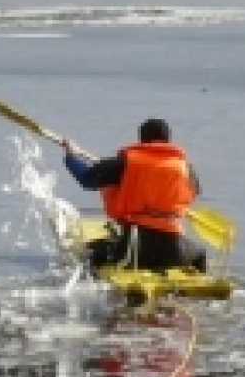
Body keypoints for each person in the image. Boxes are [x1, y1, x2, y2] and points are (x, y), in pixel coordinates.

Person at [62, 117, 207, 273]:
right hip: (174, 251)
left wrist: (71, 156)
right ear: (168, 141)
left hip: (134, 248)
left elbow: (86, 179)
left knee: (93, 251)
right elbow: (194, 192)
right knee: (200, 254)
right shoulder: (185, 168)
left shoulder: (125, 163)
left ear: (141, 140)